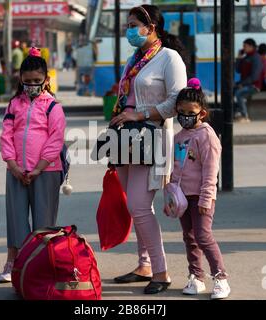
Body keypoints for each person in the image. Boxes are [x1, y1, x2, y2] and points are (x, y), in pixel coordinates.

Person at [109, 5, 188, 294]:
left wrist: (139, 114)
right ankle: (143, 265)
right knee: (135, 205)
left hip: (151, 138)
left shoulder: (169, 58)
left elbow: (176, 102)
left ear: (150, 27)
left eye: (133, 25)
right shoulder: (135, 58)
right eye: (127, 25)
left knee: (139, 206)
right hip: (125, 139)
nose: (128, 30)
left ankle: (161, 271)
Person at [0, 47, 66, 283]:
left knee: (44, 222)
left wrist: (38, 167)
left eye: (37, 81)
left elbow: (55, 139)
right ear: (21, 80)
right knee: (15, 218)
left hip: (46, 171)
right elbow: (6, 136)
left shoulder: (53, 107)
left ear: (46, 80)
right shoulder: (14, 104)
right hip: (16, 171)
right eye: (28, 81)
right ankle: (13, 262)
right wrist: (13, 164)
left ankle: (42, 265)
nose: (32, 85)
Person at [166, 77, 230, 300]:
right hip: (183, 198)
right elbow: (175, 170)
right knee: (189, 237)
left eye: (190, 111)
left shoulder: (207, 136)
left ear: (201, 112)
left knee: (203, 236)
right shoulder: (178, 137)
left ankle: (220, 277)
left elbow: (211, 172)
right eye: (181, 111)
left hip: (202, 198)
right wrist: (171, 198)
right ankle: (196, 276)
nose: (185, 115)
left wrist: (206, 198)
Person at [234, 38, 263, 123]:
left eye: (245, 46)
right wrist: (239, 58)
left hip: (254, 86)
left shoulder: (256, 58)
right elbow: (238, 70)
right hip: (245, 84)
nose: (243, 48)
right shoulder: (246, 57)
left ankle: (244, 116)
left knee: (239, 94)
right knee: (232, 90)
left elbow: (255, 76)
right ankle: (236, 113)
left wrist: (242, 84)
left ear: (251, 47)